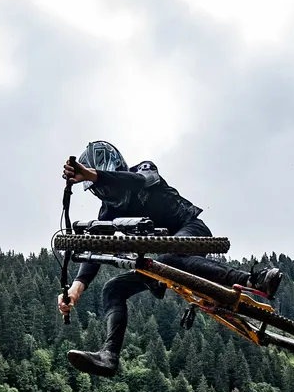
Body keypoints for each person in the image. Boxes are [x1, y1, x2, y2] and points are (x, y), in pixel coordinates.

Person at [57, 141, 280, 378]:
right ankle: (108, 356)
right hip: (164, 261)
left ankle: (254, 280)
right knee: (113, 288)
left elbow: (136, 181)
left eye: (106, 185)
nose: (106, 193)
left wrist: (93, 175)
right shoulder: (109, 211)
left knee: (171, 256)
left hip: (191, 230)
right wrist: (74, 291)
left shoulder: (143, 170)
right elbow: (96, 247)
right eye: (99, 190)